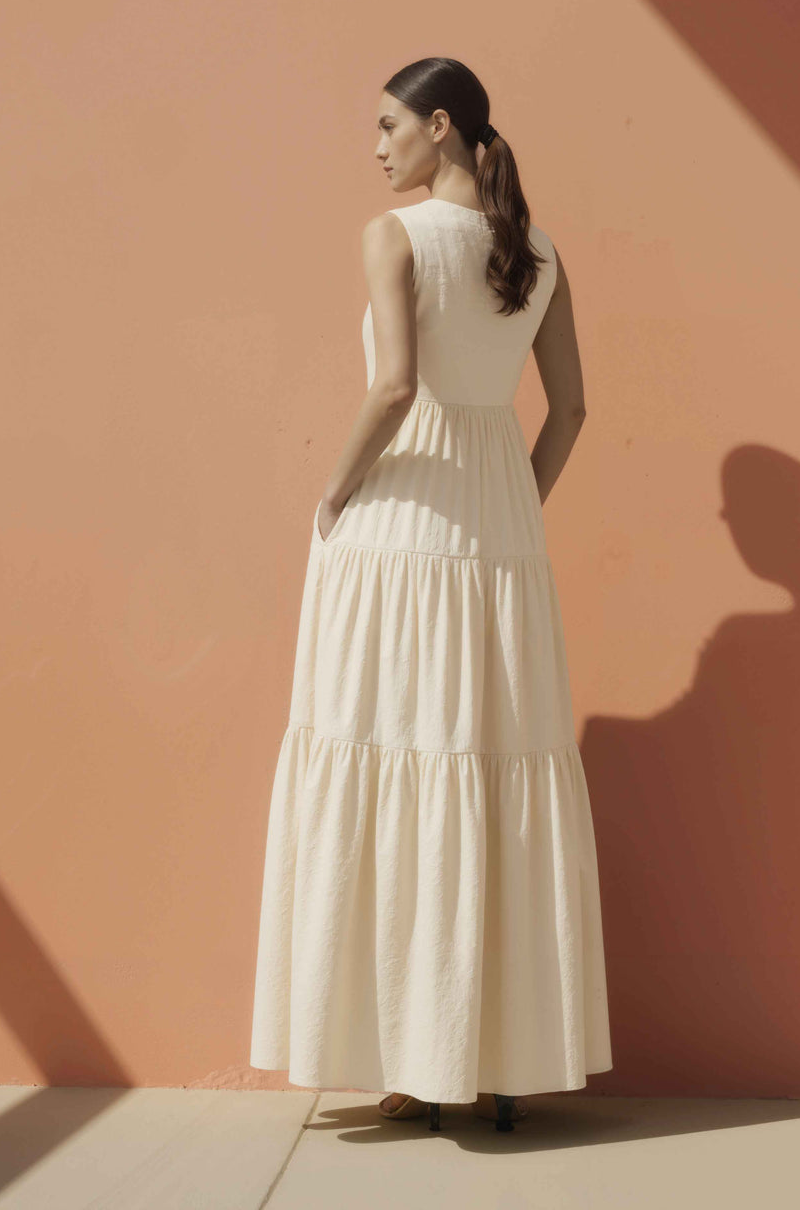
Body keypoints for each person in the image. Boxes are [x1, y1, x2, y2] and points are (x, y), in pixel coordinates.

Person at [249, 57, 612, 1133]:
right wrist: (517, 514)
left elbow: (396, 385)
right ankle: (480, 1055)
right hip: (499, 531)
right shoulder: (537, 251)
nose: (375, 147)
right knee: (485, 766)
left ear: (439, 126)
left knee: (393, 752)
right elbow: (574, 409)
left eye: (386, 123)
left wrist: (332, 491)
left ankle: (410, 1056)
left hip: (399, 528)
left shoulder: (392, 234)